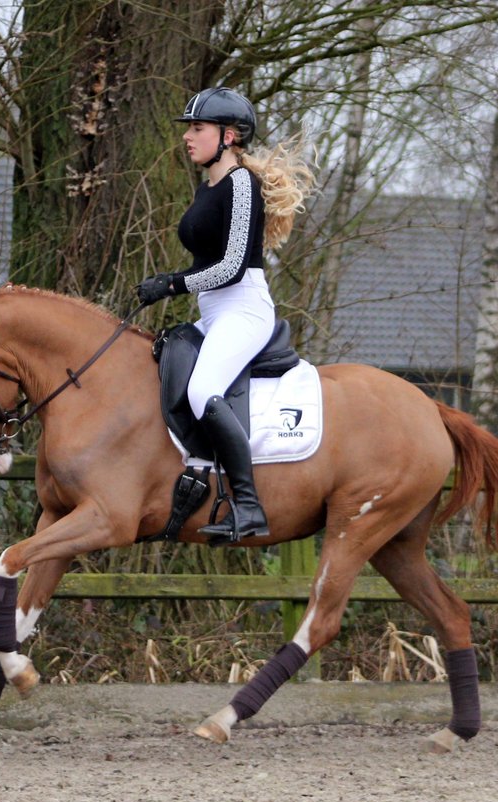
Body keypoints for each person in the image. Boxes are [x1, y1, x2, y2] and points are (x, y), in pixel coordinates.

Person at [136, 86, 315, 543]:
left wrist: (171, 284)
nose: (187, 137)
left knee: (202, 390)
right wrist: (175, 285)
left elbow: (233, 266)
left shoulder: (240, 185)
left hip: (244, 309)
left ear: (229, 136)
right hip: (215, 312)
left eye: (197, 128)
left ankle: (250, 507)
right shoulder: (209, 186)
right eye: (189, 129)